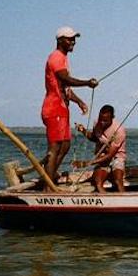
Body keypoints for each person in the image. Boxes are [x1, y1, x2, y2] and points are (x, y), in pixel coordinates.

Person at [41, 26, 99, 184]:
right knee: (54, 148)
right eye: (69, 39)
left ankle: (49, 176)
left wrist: (79, 101)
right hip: (54, 108)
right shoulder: (56, 57)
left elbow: (65, 87)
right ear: (60, 40)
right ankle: (47, 185)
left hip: (62, 108)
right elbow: (65, 79)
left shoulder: (64, 58)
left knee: (65, 146)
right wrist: (87, 83)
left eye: (74, 39)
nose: (73, 42)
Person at [74, 105, 127, 193]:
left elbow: (110, 155)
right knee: (98, 182)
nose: (102, 123)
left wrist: (88, 163)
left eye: (105, 121)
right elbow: (94, 138)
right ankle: (106, 202)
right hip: (102, 159)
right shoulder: (96, 123)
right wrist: (83, 130)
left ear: (112, 118)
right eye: (100, 119)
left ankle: (125, 202)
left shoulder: (119, 131)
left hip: (116, 158)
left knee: (118, 181)